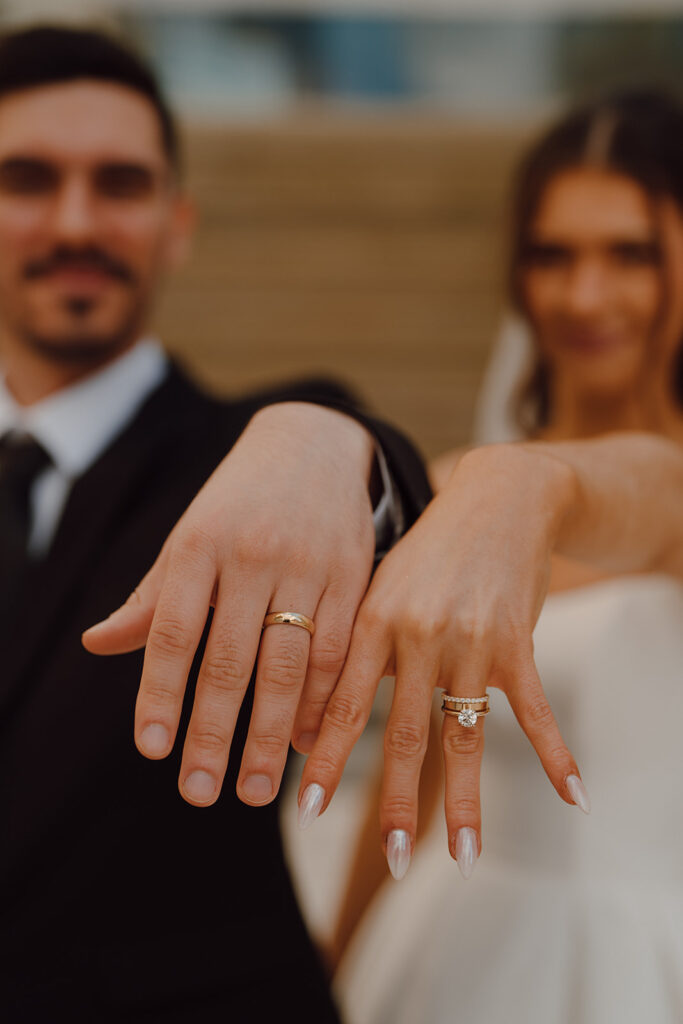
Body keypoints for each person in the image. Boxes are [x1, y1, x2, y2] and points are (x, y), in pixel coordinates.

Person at [0, 25, 431, 1021]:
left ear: (176, 222)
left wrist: (332, 442)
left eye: (120, 183)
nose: (76, 222)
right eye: (27, 179)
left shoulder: (257, 458)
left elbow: (382, 489)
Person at [297, 90, 683, 1022]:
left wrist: (534, 485)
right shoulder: (454, 493)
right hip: (450, 940)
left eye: (630, 254)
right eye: (552, 255)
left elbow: (651, 488)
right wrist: (329, 970)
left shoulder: (613, 490)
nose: (583, 296)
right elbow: (420, 772)